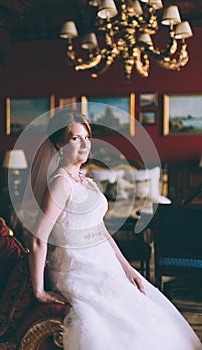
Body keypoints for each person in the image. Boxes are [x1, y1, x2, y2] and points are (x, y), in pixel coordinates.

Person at [25, 110, 202, 350]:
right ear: (60, 145)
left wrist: (127, 268)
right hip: (77, 269)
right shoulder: (60, 183)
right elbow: (38, 239)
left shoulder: (86, 181)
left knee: (147, 307)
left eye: (87, 137)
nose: (84, 144)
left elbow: (101, 231)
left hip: (103, 263)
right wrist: (39, 291)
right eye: (75, 138)